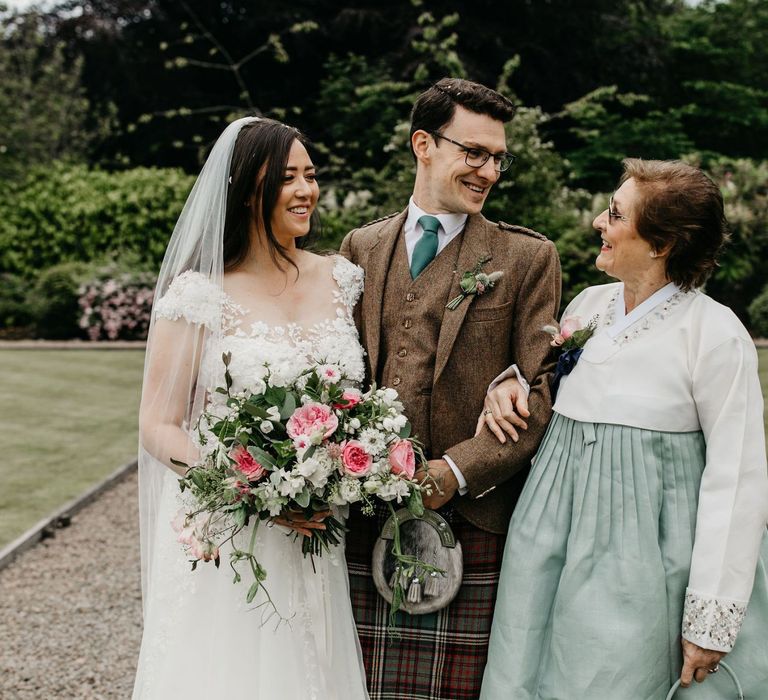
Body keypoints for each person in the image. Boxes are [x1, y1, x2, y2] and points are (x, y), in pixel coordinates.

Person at [479, 159, 768, 699]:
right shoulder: (588, 308)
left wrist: (711, 619)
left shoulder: (712, 334)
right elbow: (543, 387)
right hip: (548, 548)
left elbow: (737, 479)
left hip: (643, 560)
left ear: (662, 243)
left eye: (615, 214)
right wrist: (509, 384)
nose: (597, 221)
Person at [133, 117, 370, 699]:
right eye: (287, 176)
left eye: (311, 175)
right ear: (246, 189)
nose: (306, 190)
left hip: (318, 530)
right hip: (232, 535)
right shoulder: (199, 294)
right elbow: (158, 425)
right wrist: (254, 493)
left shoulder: (342, 279)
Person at [340, 78, 562, 700]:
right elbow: (335, 375)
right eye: (474, 152)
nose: (489, 170)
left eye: (498, 157)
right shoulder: (361, 247)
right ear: (424, 145)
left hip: (473, 519)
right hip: (364, 515)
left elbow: (540, 393)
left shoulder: (525, 257)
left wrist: (454, 473)